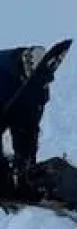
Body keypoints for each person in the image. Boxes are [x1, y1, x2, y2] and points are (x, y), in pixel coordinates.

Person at [0, 45, 50, 197]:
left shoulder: (41, 76)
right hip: (3, 101)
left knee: (26, 146)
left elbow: (38, 105)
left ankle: (25, 181)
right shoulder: (3, 70)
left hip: (19, 105)